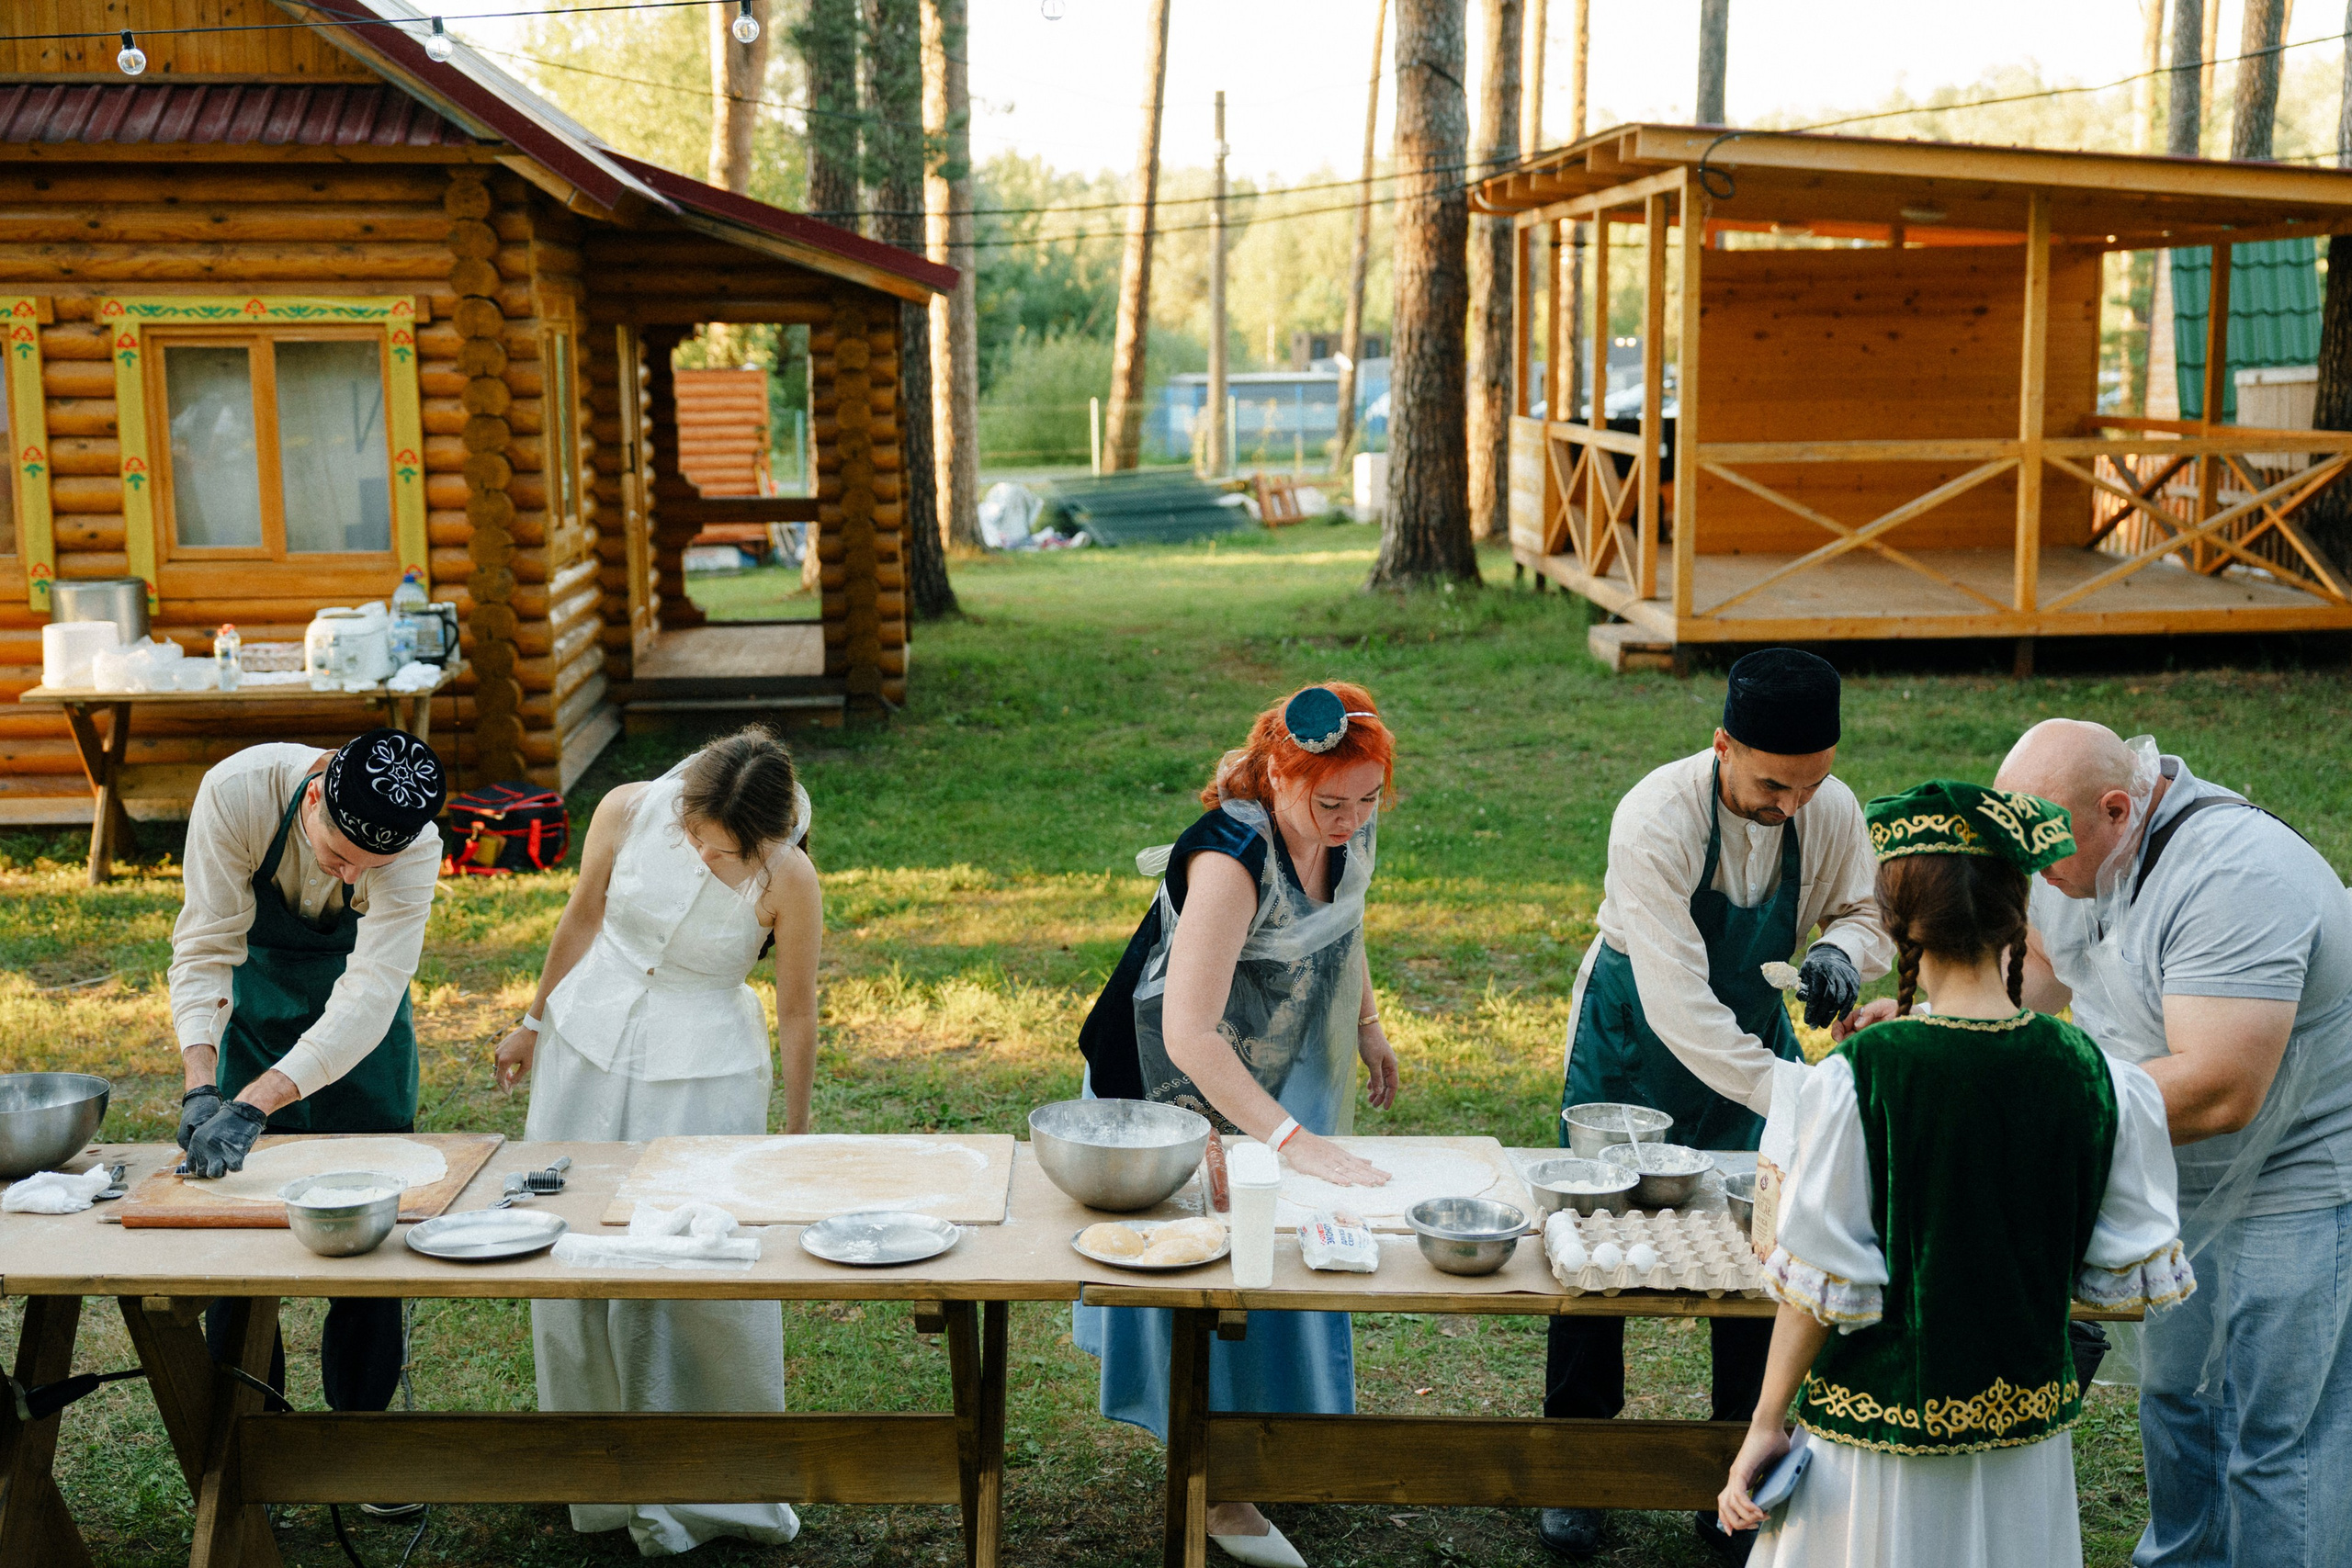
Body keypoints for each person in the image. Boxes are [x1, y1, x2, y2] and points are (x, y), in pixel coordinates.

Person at [1718, 779, 2189, 1568]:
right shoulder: (2096, 1076)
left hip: (1877, 1444)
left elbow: (1817, 1283)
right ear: (2017, 916)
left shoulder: (1863, 1077)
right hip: (2023, 1449)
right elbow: (2105, 1267)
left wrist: (1766, 1421)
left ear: (1898, 922)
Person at [1544, 649, 1891, 1562]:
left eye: (1811, 783)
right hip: (1636, 1033)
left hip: (1748, 1037)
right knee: (1594, 1242)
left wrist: (1843, 952)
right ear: (1722, 746)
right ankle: (1575, 1467)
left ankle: (1738, 1469)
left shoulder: (1827, 808)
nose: (1792, 805)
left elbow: (1867, 911)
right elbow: (1678, 1004)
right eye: (1774, 785)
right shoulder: (1655, 816)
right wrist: (1798, 1092)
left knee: (1764, 1244)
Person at [1990, 719, 2352, 1568]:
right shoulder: (2073, 852)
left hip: (2295, 1180)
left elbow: (2222, 1088)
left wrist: (2043, 1106)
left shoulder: (2235, 876)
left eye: (2042, 847)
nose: (2031, 869)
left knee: (2277, 1434)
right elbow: (2038, 964)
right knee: (2179, 1401)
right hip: (2175, 1173)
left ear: (2117, 809)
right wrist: (1944, 1030)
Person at [1073, 683, 1399, 1568]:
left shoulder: (1343, 823)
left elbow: (1342, 918)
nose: (1352, 820)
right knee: (1214, 1260)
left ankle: (1264, 1436)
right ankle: (1217, 1485)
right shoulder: (1228, 858)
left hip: (1262, 1048)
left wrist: (1367, 1022)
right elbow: (1186, 1033)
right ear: (1278, 776)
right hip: (1163, 1078)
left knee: (1276, 1243)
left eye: (1370, 799)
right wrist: (1293, 1138)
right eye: (1332, 804)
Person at [492, 728, 820, 1557]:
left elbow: (796, 1009)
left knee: (695, 1261)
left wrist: (795, 1133)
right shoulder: (627, 808)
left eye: (723, 851)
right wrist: (533, 1020)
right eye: (695, 835)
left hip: (701, 1075)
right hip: (587, 1045)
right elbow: (582, 915)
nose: (704, 856)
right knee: (570, 1241)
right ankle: (598, 1473)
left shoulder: (789, 876)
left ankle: (715, 1482)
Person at [169, 730, 447, 1502]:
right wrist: (202, 1086)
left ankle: (360, 1444)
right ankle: (250, 1449)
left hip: (362, 1039)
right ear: (316, 794)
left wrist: (257, 1101)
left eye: (370, 866)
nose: (351, 875)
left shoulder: (418, 844)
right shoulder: (237, 793)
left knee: (370, 1238)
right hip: (255, 1011)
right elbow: (205, 945)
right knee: (238, 1242)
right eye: (339, 854)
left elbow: (372, 989)